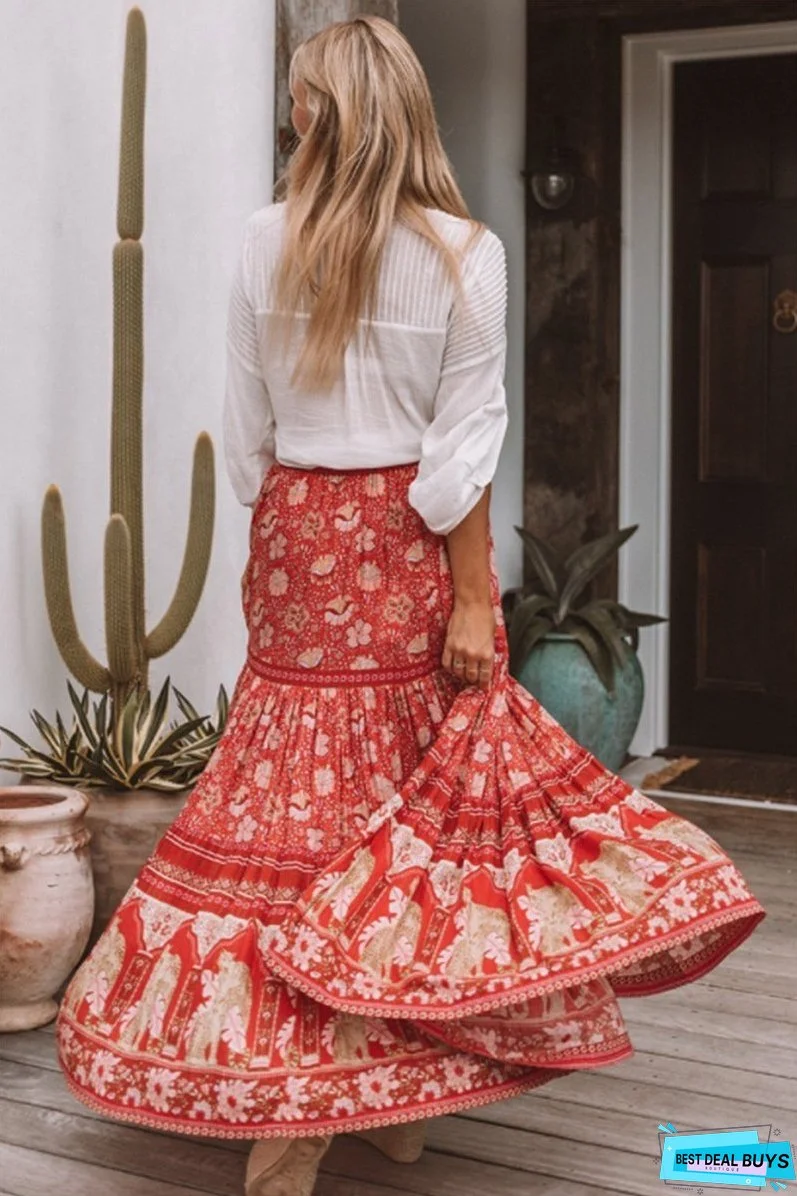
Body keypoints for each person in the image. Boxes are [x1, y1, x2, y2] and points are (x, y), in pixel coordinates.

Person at [56, 15, 766, 1196]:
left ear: (311, 115)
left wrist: (291, 512)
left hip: (295, 536)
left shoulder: (259, 237)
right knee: (401, 811)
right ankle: (372, 1091)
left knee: (284, 799)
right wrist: (470, 602)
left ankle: (334, 1097)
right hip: (404, 540)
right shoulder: (463, 253)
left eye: (298, 99)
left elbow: (245, 444)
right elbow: (460, 454)